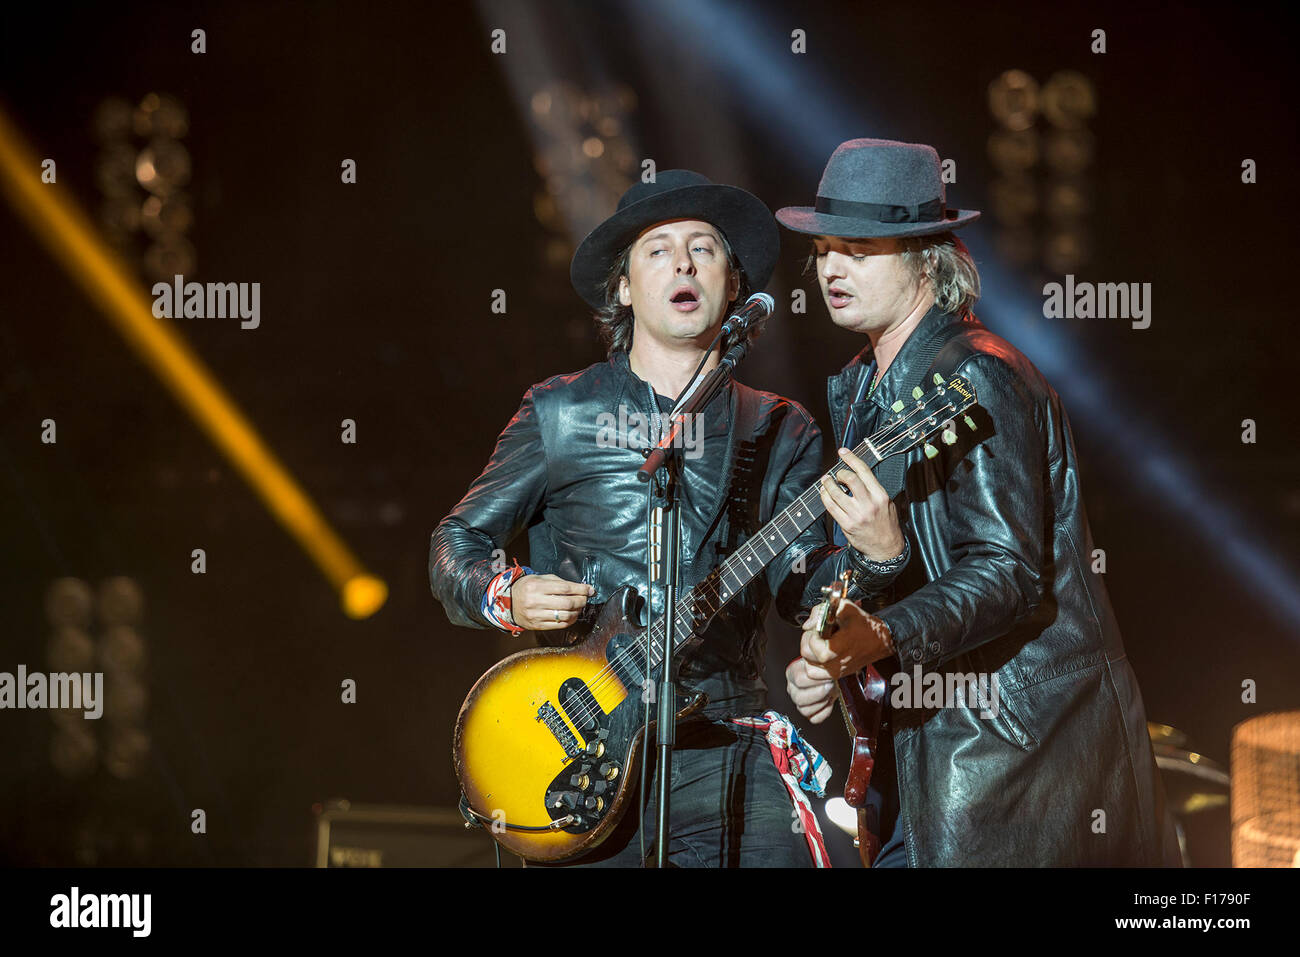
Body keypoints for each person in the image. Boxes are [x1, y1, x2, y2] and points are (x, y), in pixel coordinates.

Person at [429, 170, 896, 867]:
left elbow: (802, 582)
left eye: (704, 249)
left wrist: (872, 557)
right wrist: (510, 592)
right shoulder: (562, 411)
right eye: (659, 250)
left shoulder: (776, 426)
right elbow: (455, 542)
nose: (683, 262)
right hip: (587, 746)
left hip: (727, 739)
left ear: (733, 286)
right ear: (623, 287)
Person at [778, 138, 1180, 866]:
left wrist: (884, 633)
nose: (831, 267)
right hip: (925, 746)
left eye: (859, 249)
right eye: (825, 249)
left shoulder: (976, 374)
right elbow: (892, 557)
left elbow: (1005, 571)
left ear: (925, 257)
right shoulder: (865, 384)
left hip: (1012, 749)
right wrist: (834, 647)